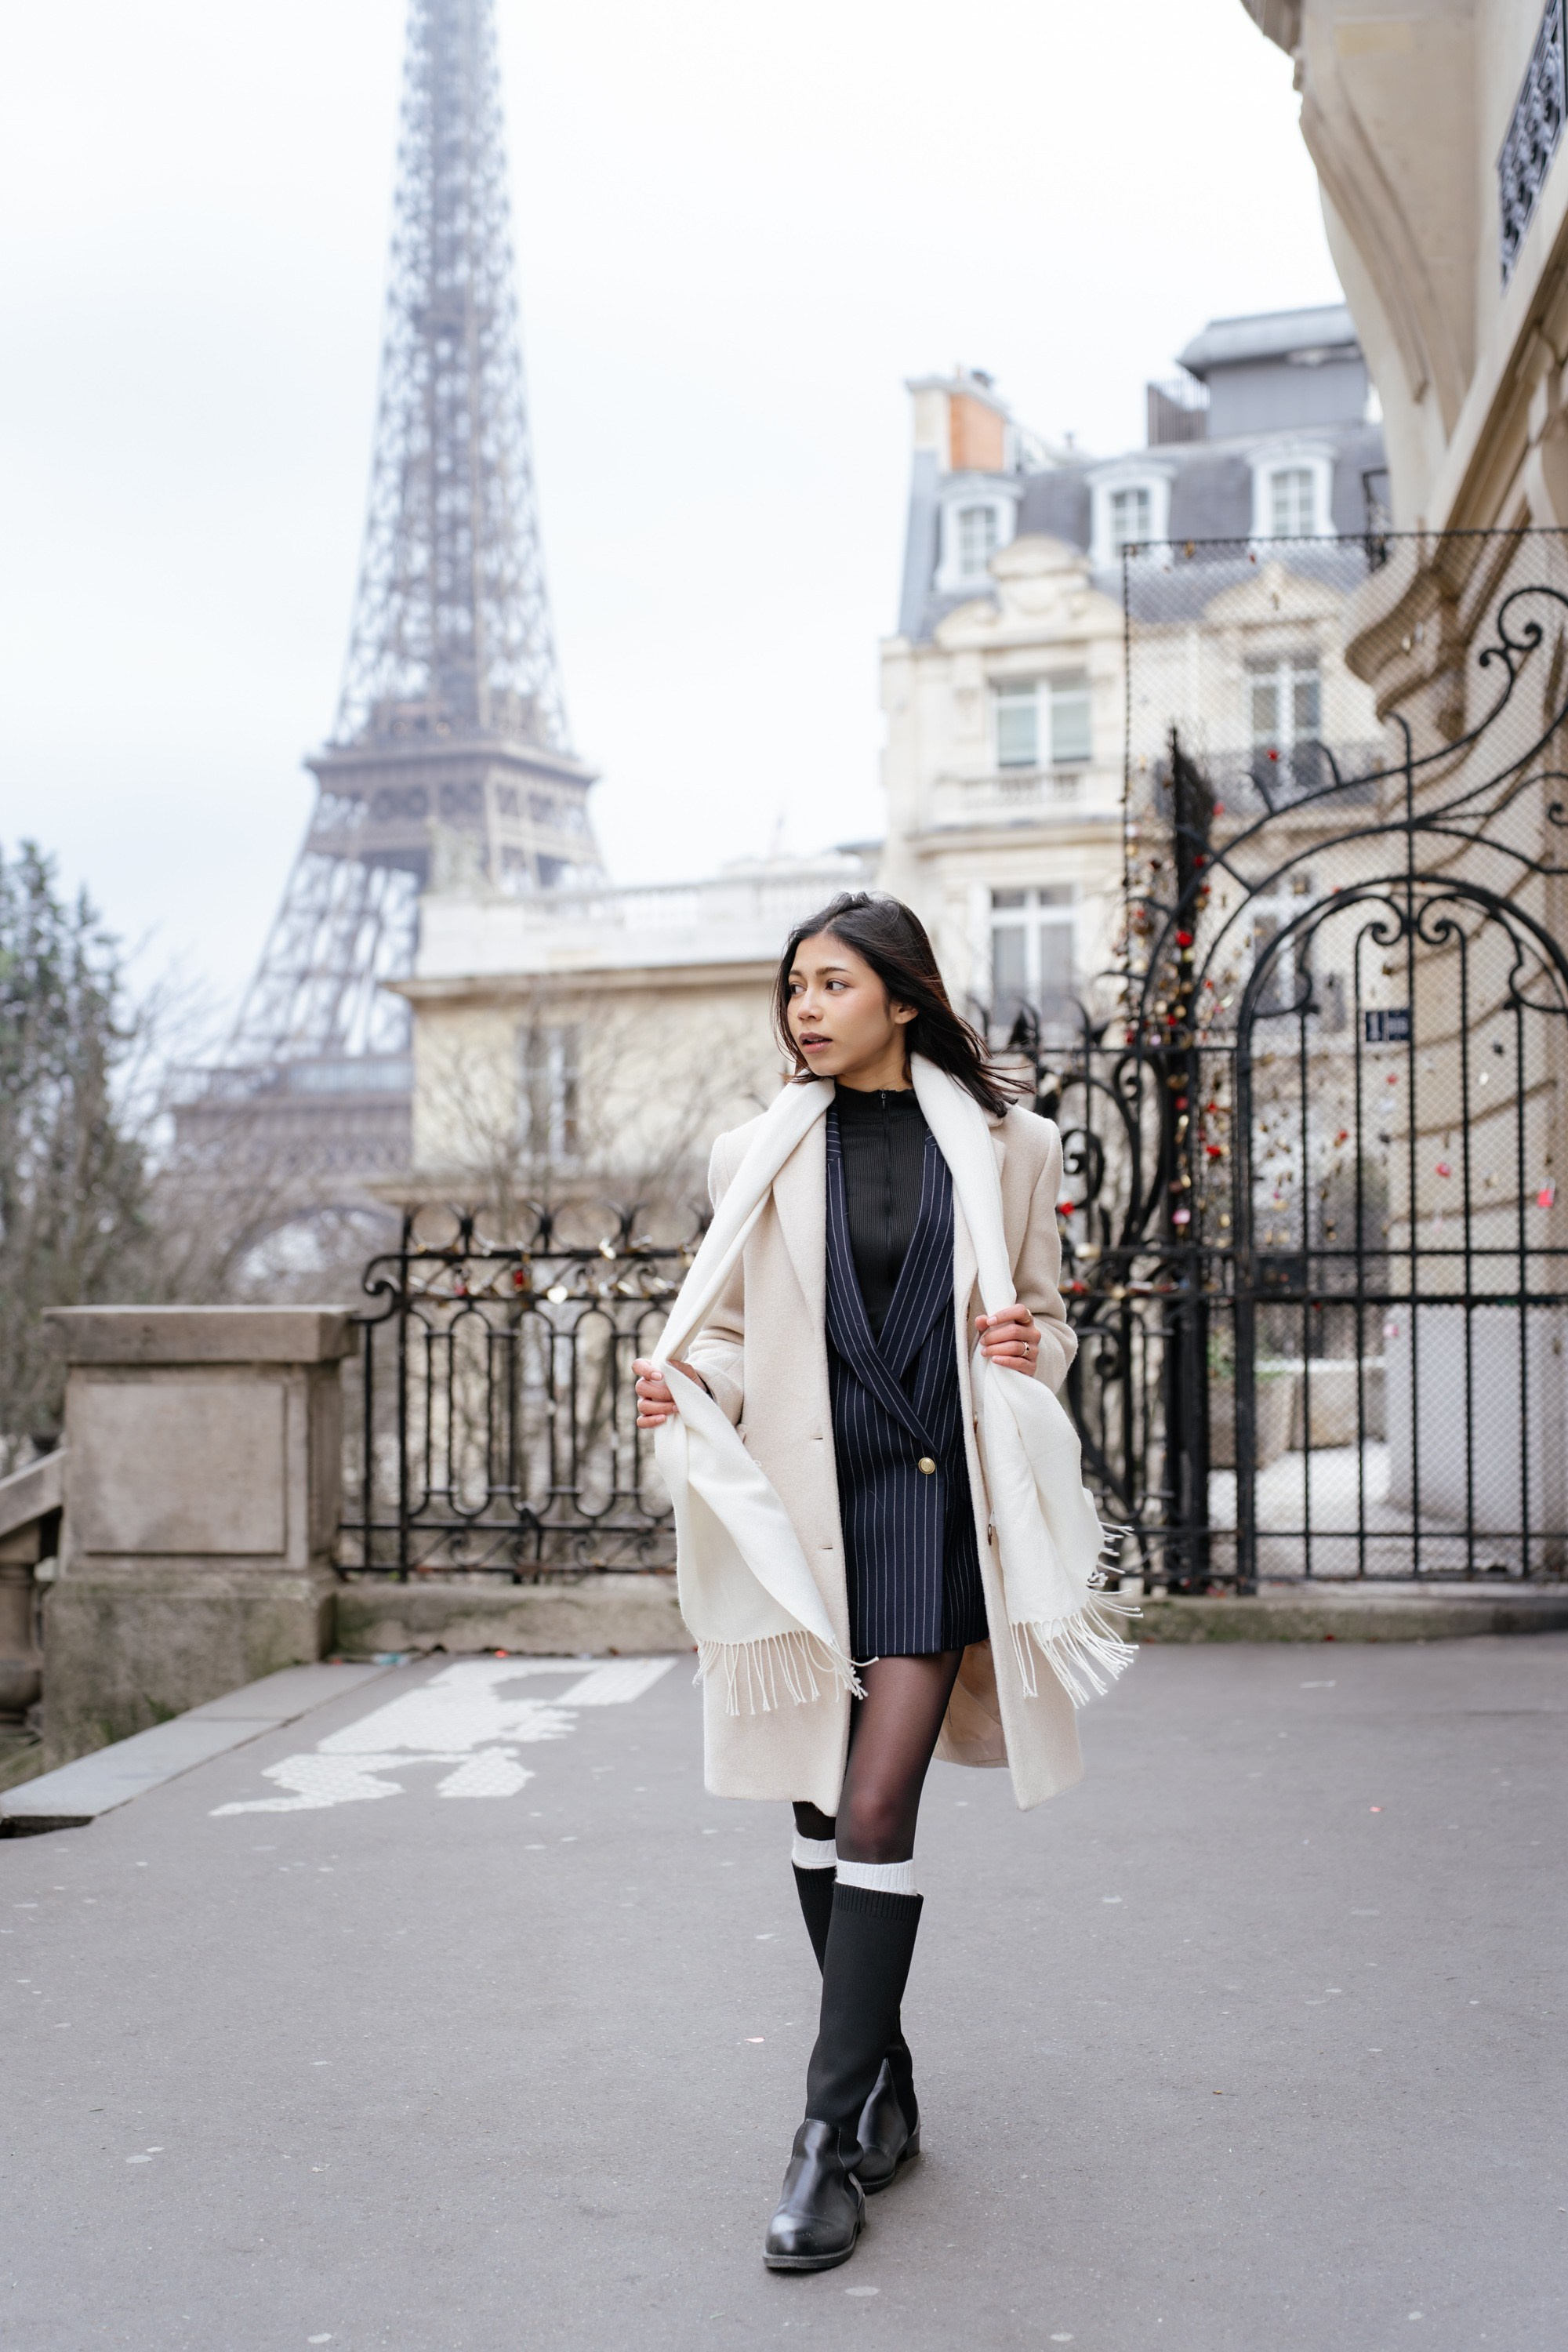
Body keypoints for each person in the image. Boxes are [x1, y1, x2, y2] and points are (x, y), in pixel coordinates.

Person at [634, 891, 1119, 2274]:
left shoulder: (1010, 1149)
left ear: (900, 997)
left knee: (876, 1798)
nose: (803, 1006)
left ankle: (821, 2140)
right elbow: (724, 1331)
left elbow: (1045, 1313)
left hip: (929, 1508)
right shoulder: (758, 1150)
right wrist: (687, 1384)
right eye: (793, 984)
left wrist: (1034, 1350)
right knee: (812, 1799)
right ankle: (888, 2084)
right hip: (801, 1514)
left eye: (830, 982)